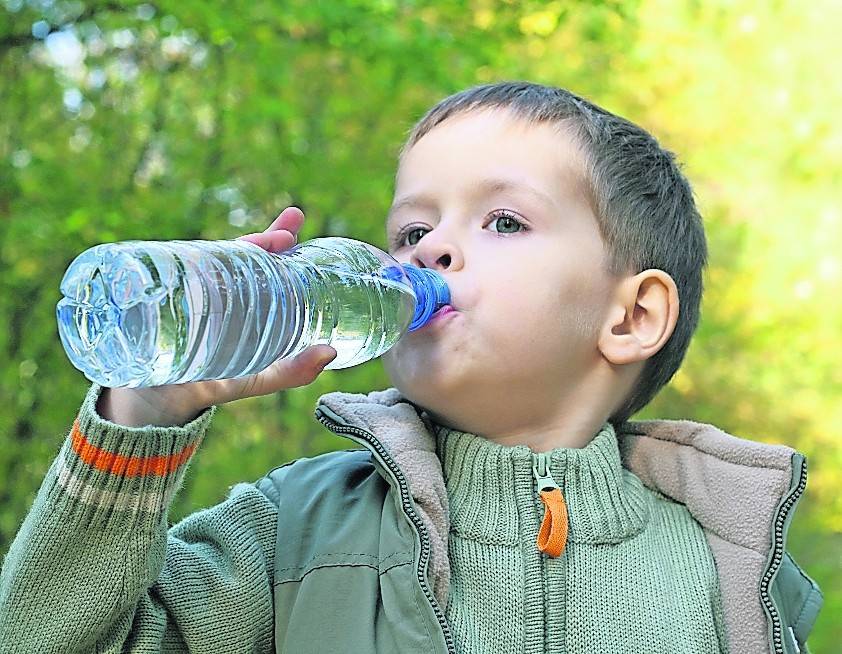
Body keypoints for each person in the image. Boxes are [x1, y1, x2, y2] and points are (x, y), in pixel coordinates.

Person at [0, 82, 823, 654]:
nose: (431, 250)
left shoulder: (731, 570)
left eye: (503, 221)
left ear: (632, 317)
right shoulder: (295, 530)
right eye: (411, 232)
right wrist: (143, 416)